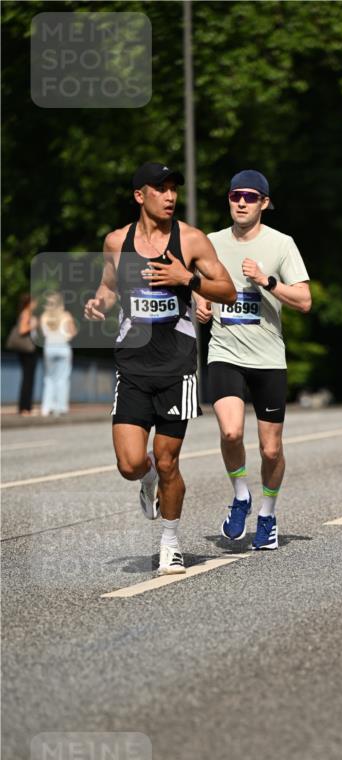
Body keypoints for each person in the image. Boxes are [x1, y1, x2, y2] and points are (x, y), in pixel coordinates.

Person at [84, 161, 236, 576]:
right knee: (131, 464)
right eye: (160, 188)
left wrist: (187, 278)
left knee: (170, 462)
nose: (170, 196)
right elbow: (110, 284)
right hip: (132, 365)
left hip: (176, 367)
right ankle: (145, 478)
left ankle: (170, 541)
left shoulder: (191, 240)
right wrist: (100, 302)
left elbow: (227, 290)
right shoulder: (117, 241)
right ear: (140, 196)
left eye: (174, 189)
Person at [195, 169, 311, 551]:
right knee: (229, 432)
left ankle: (267, 514)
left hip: (268, 357)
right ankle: (241, 495)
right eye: (234, 196)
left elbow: (305, 301)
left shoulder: (281, 244)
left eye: (249, 196)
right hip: (224, 351)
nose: (241, 202)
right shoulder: (209, 243)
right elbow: (193, 284)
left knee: (271, 449)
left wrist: (267, 282)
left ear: (264, 203)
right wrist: (199, 303)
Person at [39, 291, 76, 416]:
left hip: (49, 348)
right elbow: (72, 333)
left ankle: (46, 407)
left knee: (49, 378)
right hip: (63, 348)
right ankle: (61, 408)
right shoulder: (66, 315)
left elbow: (43, 334)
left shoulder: (44, 316)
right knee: (63, 378)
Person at [12, 294, 38, 415]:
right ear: (29, 303)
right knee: (27, 379)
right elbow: (22, 330)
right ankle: (24, 408)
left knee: (28, 379)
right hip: (27, 350)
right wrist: (32, 325)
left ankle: (26, 407)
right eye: (34, 302)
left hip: (27, 351)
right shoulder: (26, 313)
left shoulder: (26, 313)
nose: (36, 304)